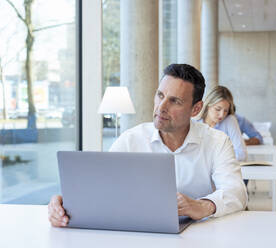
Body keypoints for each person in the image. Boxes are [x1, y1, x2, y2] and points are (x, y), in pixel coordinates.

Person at [48, 64, 247, 227]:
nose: (161, 107)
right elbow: (99, 187)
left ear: (195, 109)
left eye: (174, 101)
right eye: (160, 95)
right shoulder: (131, 139)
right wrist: (64, 203)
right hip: (141, 236)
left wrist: (202, 206)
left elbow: (236, 192)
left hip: (200, 237)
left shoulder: (217, 142)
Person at [196, 86, 247, 161]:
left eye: (225, 111)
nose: (222, 115)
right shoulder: (194, 121)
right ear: (208, 105)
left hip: (222, 169)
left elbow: (241, 154)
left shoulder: (229, 121)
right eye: (218, 109)